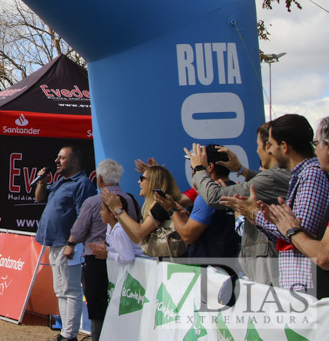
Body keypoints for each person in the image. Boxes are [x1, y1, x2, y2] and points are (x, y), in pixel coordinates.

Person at [221, 114, 329, 296]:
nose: (267, 151)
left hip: (308, 287)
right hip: (301, 286)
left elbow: (300, 234)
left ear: (284, 146)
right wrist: (260, 218)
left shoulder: (312, 175)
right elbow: (292, 233)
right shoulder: (302, 175)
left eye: (269, 144)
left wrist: (256, 215)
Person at [189, 124, 290, 285]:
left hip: (265, 262)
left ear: (269, 146)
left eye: (258, 145)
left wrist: (199, 169)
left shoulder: (274, 177)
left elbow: (214, 197)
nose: (257, 150)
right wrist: (242, 170)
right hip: (258, 259)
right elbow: (268, 183)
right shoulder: (276, 177)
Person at [65, 159, 136, 341]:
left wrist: (71, 242)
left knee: (97, 309)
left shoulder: (93, 202)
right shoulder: (130, 199)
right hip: (125, 266)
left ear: (100, 178)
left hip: (98, 261)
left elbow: (78, 232)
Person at [34, 145, 96, 341]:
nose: (56, 161)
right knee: (60, 290)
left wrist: (72, 243)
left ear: (75, 161)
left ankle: (70, 335)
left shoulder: (82, 184)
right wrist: (42, 182)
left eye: (61, 158)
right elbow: (39, 197)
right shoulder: (61, 181)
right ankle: (65, 333)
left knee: (71, 290)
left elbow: (84, 217)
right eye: (57, 157)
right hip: (54, 242)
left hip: (69, 244)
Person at [153, 144, 240, 261]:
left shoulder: (206, 197)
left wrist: (171, 210)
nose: (193, 171)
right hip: (234, 267)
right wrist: (185, 215)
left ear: (210, 167)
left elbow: (187, 235)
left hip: (209, 270)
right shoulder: (238, 190)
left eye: (195, 166)